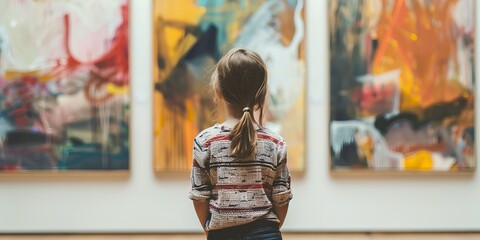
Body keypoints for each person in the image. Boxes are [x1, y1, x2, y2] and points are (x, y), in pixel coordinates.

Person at [189, 48, 293, 240]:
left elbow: (199, 197)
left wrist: (211, 229)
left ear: (218, 91)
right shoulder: (275, 143)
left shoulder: (205, 142)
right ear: (261, 94)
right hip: (266, 234)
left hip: (222, 235)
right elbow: (281, 199)